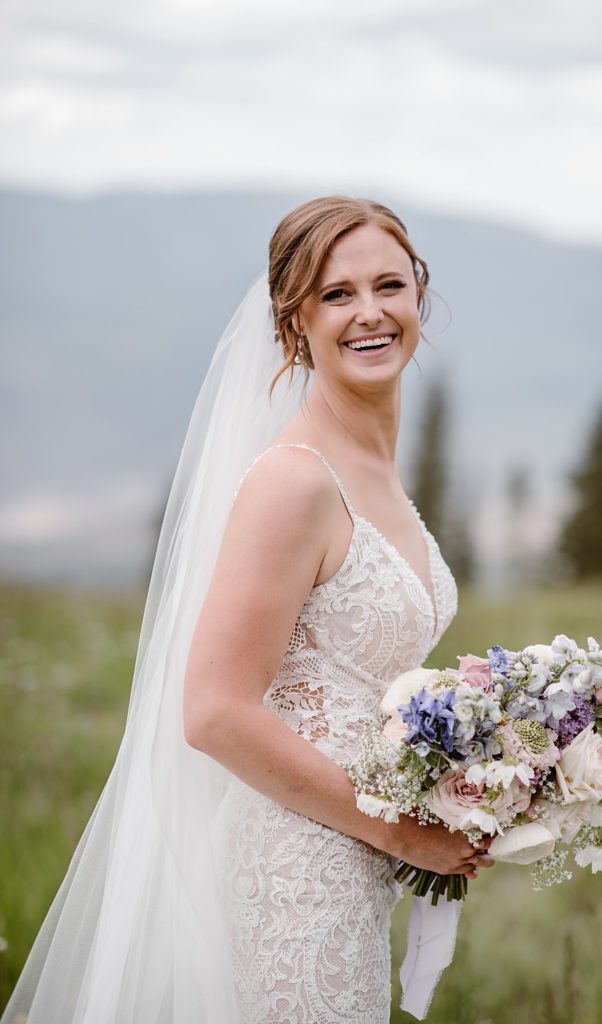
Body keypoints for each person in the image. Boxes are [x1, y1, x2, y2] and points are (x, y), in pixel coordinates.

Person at [1, 195, 492, 1024]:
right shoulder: (294, 480)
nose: (369, 312)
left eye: (389, 285)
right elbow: (215, 713)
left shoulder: (375, 469)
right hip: (298, 874)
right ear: (293, 320)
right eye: (336, 295)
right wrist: (402, 833)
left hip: (354, 861)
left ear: (420, 295)